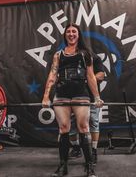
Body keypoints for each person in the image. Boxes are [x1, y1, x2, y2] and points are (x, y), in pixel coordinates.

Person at [42, 23, 103, 177]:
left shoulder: (85, 54)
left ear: (78, 34)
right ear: (65, 35)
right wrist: (45, 96)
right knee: (64, 128)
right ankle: (63, 166)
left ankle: (89, 166)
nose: (71, 34)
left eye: (74, 31)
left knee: (83, 127)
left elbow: (90, 77)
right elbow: (52, 76)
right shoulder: (58, 55)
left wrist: (96, 97)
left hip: (80, 94)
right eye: (68, 32)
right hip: (61, 94)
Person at [69, 54, 105, 165]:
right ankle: (76, 148)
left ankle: (93, 151)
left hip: (92, 97)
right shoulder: (68, 57)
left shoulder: (94, 58)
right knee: (71, 125)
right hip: (73, 97)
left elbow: (101, 75)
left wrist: (87, 77)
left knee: (94, 122)